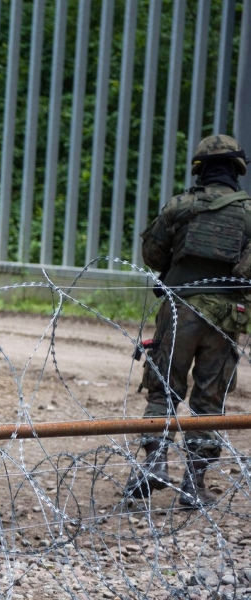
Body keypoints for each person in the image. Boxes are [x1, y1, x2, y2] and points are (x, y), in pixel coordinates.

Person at [125, 134, 250, 508]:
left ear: (200, 170)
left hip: (181, 310)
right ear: (237, 171)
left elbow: (152, 253)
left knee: (164, 387)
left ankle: (155, 464)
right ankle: (193, 485)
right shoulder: (248, 213)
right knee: (209, 401)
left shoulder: (180, 207)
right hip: (228, 317)